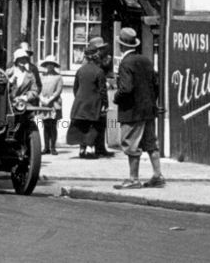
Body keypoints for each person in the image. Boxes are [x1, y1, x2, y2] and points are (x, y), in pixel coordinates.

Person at [113, 28, 165, 190]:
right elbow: (156, 85)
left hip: (132, 111)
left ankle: (133, 179)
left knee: (130, 144)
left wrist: (116, 97)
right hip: (148, 109)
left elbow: (126, 89)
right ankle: (157, 175)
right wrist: (151, 102)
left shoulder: (125, 63)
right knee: (150, 143)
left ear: (121, 46)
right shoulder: (146, 61)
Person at [68, 37, 108, 159]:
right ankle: (90, 149)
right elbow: (102, 90)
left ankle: (82, 149)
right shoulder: (99, 71)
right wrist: (105, 104)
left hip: (80, 102)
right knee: (92, 126)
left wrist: (80, 98)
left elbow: (75, 88)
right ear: (96, 56)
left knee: (81, 126)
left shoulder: (80, 70)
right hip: (93, 104)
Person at [38, 55, 63, 155]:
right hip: (44, 103)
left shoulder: (58, 77)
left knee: (53, 126)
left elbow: (58, 90)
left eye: (51, 64)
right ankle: (46, 147)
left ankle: (53, 147)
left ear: (54, 65)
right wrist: (41, 98)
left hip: (54, 103)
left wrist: (51, 99)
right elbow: (38, 88)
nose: (49, 66)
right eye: (48, 64)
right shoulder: (42, 76)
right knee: (45, 125)